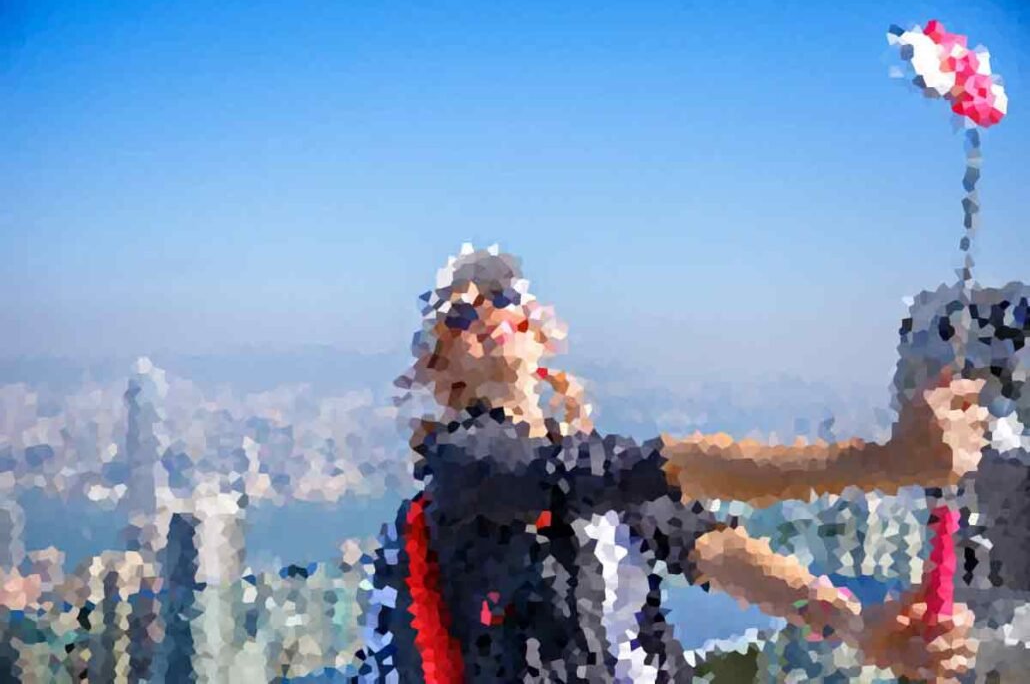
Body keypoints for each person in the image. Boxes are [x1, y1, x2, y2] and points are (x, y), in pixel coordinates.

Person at [353, 245, 985, 683]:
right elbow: (667, 467)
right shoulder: (467, 463)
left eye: (502, 295)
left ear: (539, 330)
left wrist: (861, 628)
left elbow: (712, 548)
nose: (487, 313)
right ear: (440, 367)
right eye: (461, 315)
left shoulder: (589, 462)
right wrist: (888, 463)